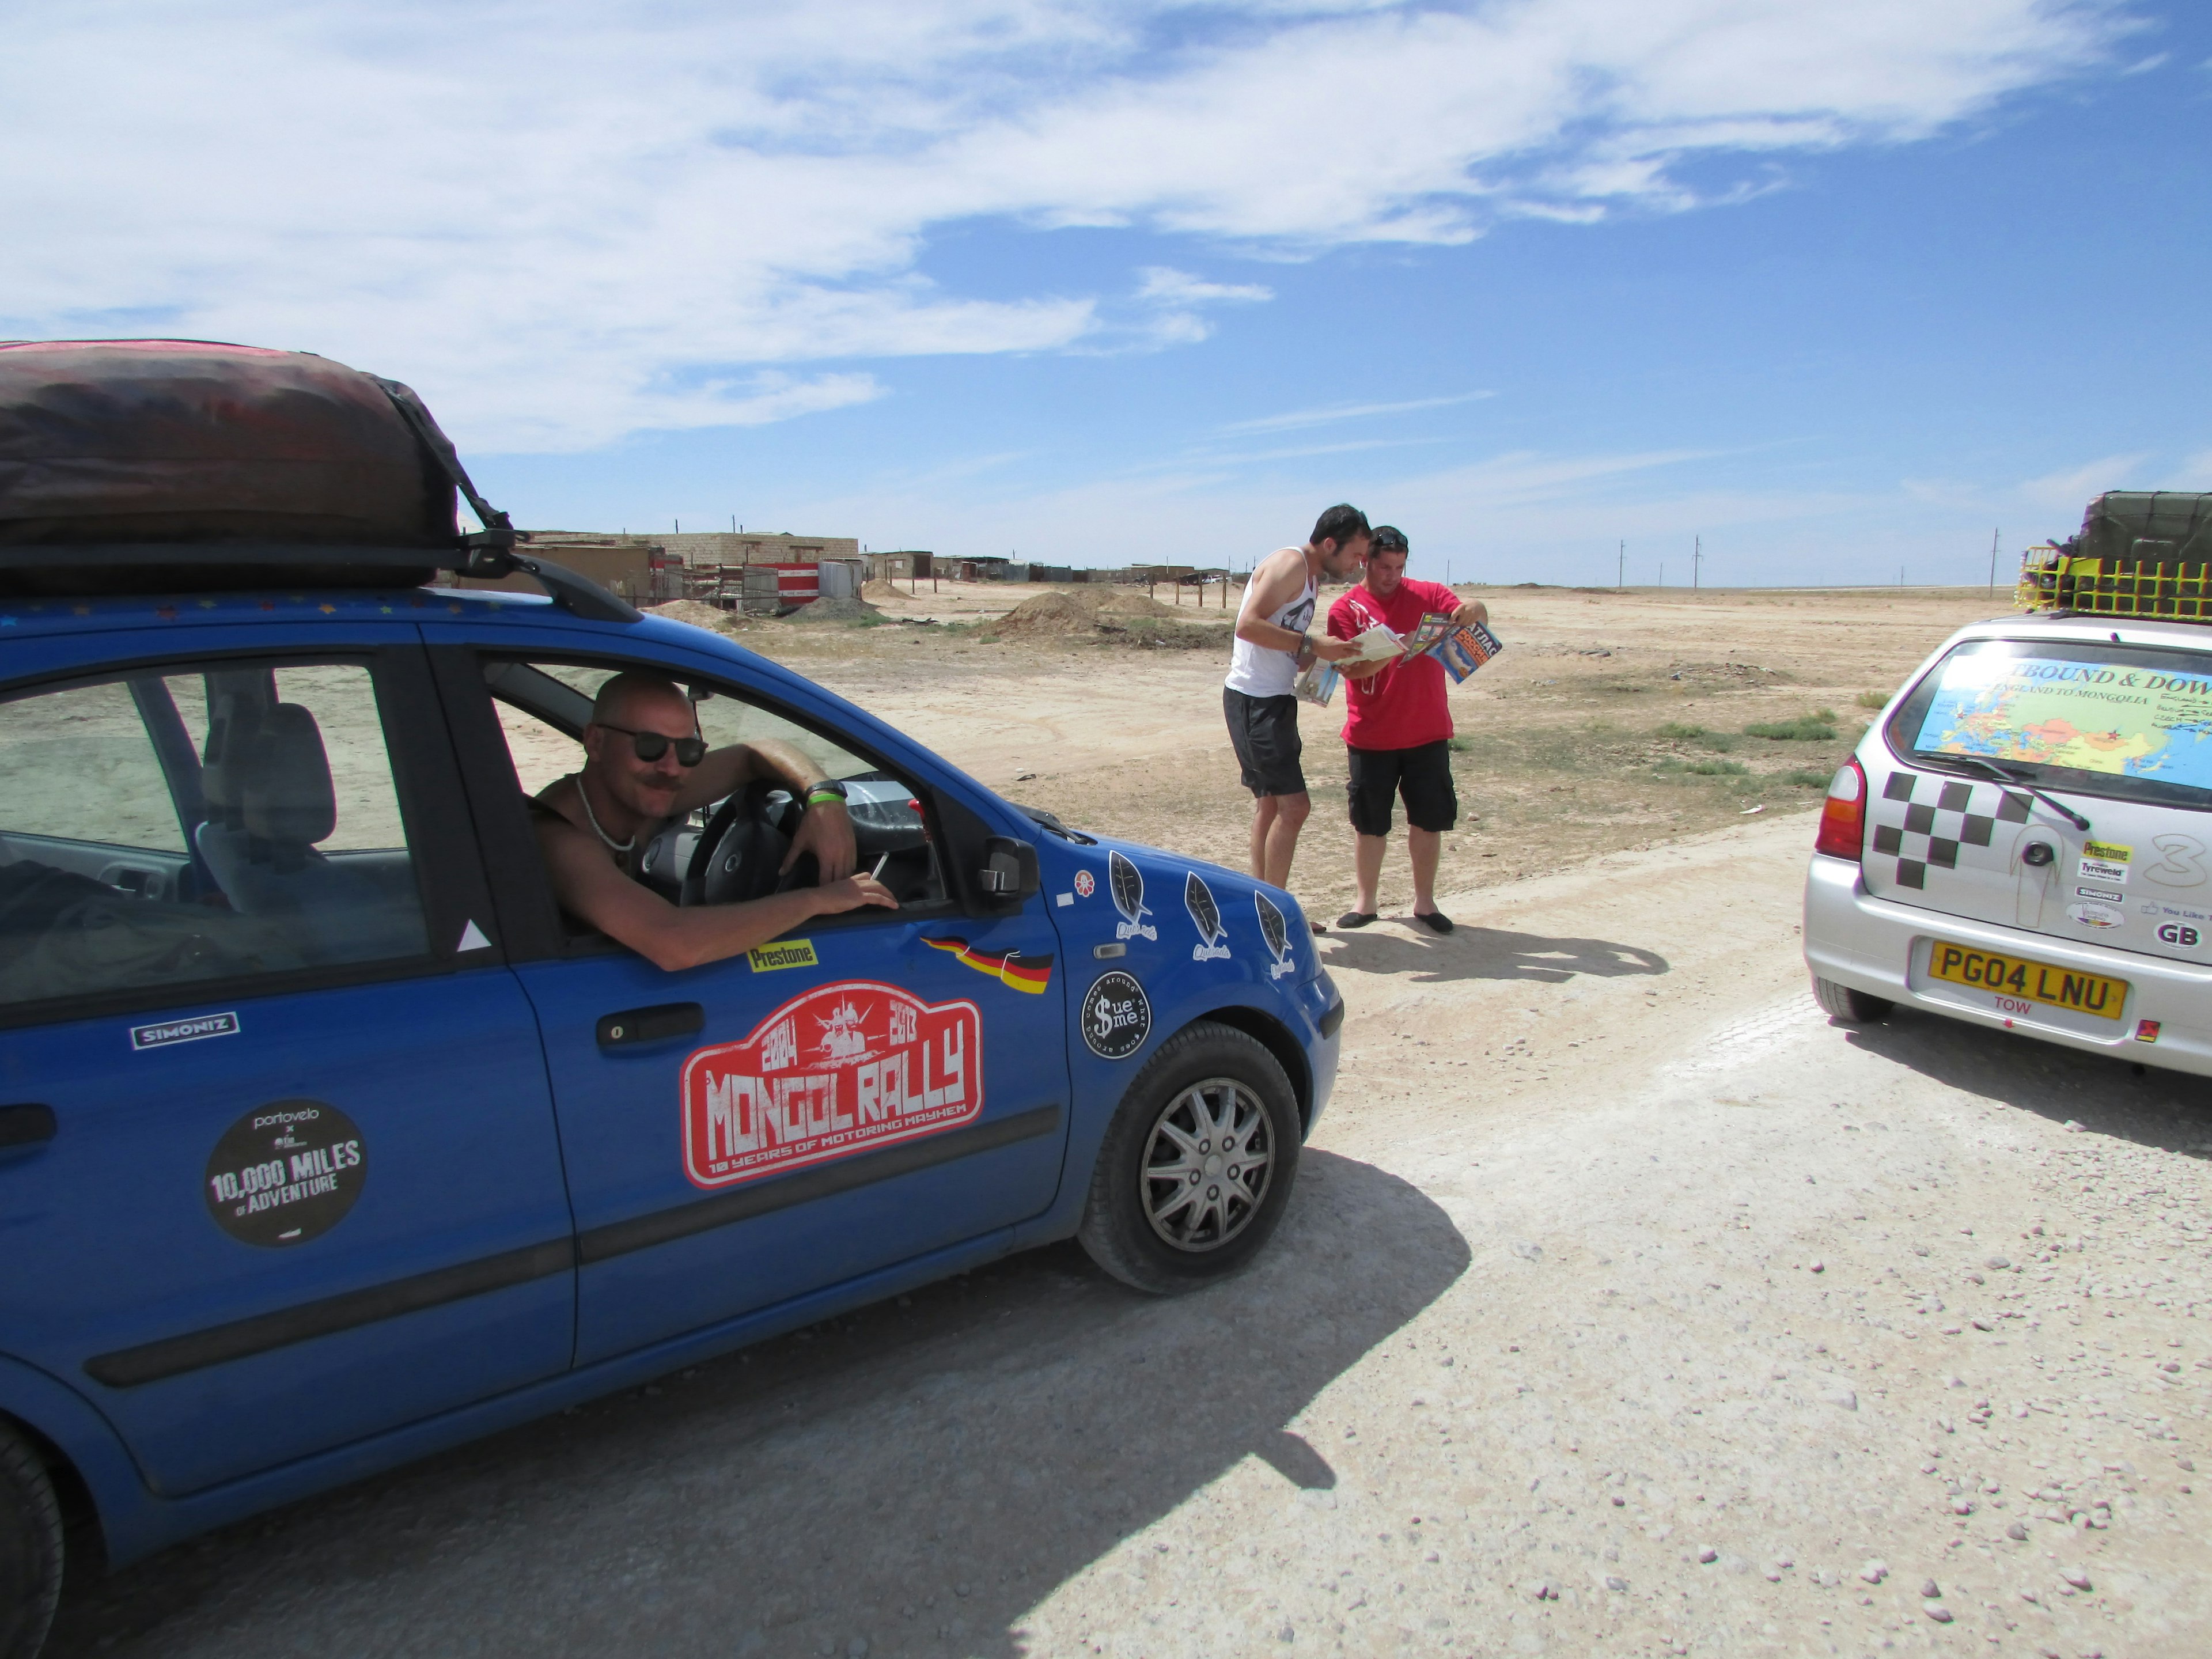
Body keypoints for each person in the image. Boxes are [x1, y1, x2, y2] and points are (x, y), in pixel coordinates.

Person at [532, 671, 895, 970]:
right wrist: (817, 900)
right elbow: (674, 943)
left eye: (689, 750)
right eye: (650, 746)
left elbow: (755, 753)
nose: (672, 767)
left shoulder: (644, 791)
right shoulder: (559, 838)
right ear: (595, 742)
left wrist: (824, 799)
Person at [1325, 525, 1488, 934]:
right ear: (1366, 561)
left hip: (1428, 731)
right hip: (1371, 734)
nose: (1391, 575)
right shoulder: (1345, 608)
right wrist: (1398, 646)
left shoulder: (1429, 594)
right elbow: (1350, 668)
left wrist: (1475, 607)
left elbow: (1475, 614)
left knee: (1428, 820)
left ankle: (1425, 902)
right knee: (1369, 824)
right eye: (1383, 566)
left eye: (1399, 567)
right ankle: (1365, 903)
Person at [1224, 504, 1372, 911]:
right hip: (1255, 700)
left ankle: (1263, 907)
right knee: (1295, 807)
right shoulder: (1290, 565)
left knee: (1271, 804)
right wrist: (1312, 645)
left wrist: (1330, 659)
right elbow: (1247, 626)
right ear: (1330, 543)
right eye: (1356, 555)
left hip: (1274, 697)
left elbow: (1284, 642)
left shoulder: (1310, 579)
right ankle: (1277, 913)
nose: (1360, 565)